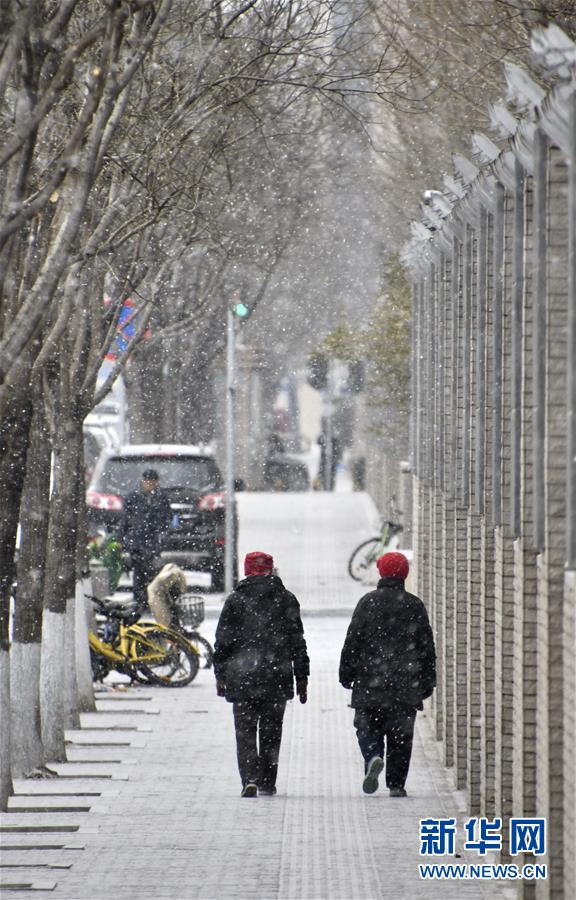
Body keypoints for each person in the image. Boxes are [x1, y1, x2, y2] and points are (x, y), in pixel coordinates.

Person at [339, 551, 436, 797]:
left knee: (366, 726)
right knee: (400, 737)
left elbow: (353, 642)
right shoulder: (414, 605)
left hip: (370, 682)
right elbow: (426, 646)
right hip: (406, 684)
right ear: (405, 573)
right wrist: (427, 681)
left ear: (381, 571)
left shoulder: (367, 603)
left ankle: (373, 755)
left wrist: (346, 673)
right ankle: (396, 784)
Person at [213, 551, 309, 798]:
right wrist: (302, 678)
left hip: (242, 677)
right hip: (276, 678)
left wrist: (220, 674)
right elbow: (297, 642)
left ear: (247, 571)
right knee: (271, 731)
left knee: (245, 732)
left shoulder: (235, 601)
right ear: (271, 570)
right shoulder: (286, 599)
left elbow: (222, 642)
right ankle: (267, 780)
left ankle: (249, 779)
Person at [117, 469, 172, 610]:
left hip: (152, 542)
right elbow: (125, 521)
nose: (150, 485)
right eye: (147, 482)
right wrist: (122, 540)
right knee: (139, 573)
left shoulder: (161, 498)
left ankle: (150, 600)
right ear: (142, 481)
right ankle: (139, 601)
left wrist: (163, 535)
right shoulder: (132, 497)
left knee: (152, 572)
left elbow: (166, 519)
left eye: (152, 482)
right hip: (137, 542)